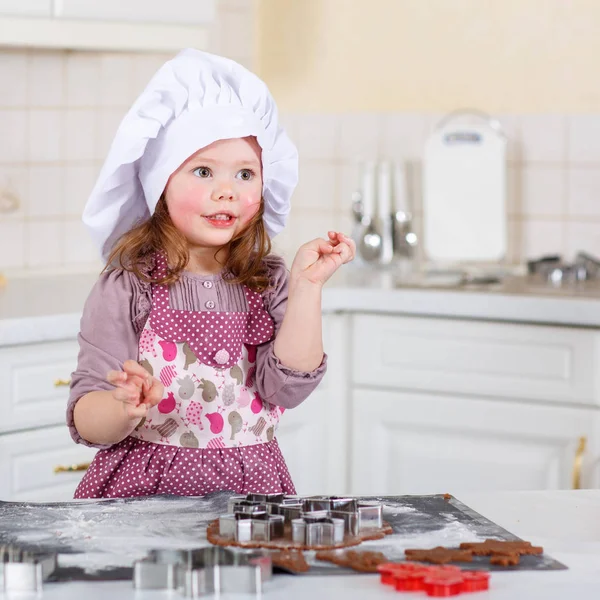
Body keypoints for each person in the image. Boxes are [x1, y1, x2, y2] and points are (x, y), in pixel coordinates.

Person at [67, 49, 355, 499]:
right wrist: (122, 407)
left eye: (246, 174)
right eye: (203, 171)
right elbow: (87, 416)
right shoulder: (127, 284)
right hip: (145, 496)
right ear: (161, 184)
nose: (227, 191)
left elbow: (286, 389)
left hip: (252, 493)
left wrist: (306, 288)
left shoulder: (269, 280)